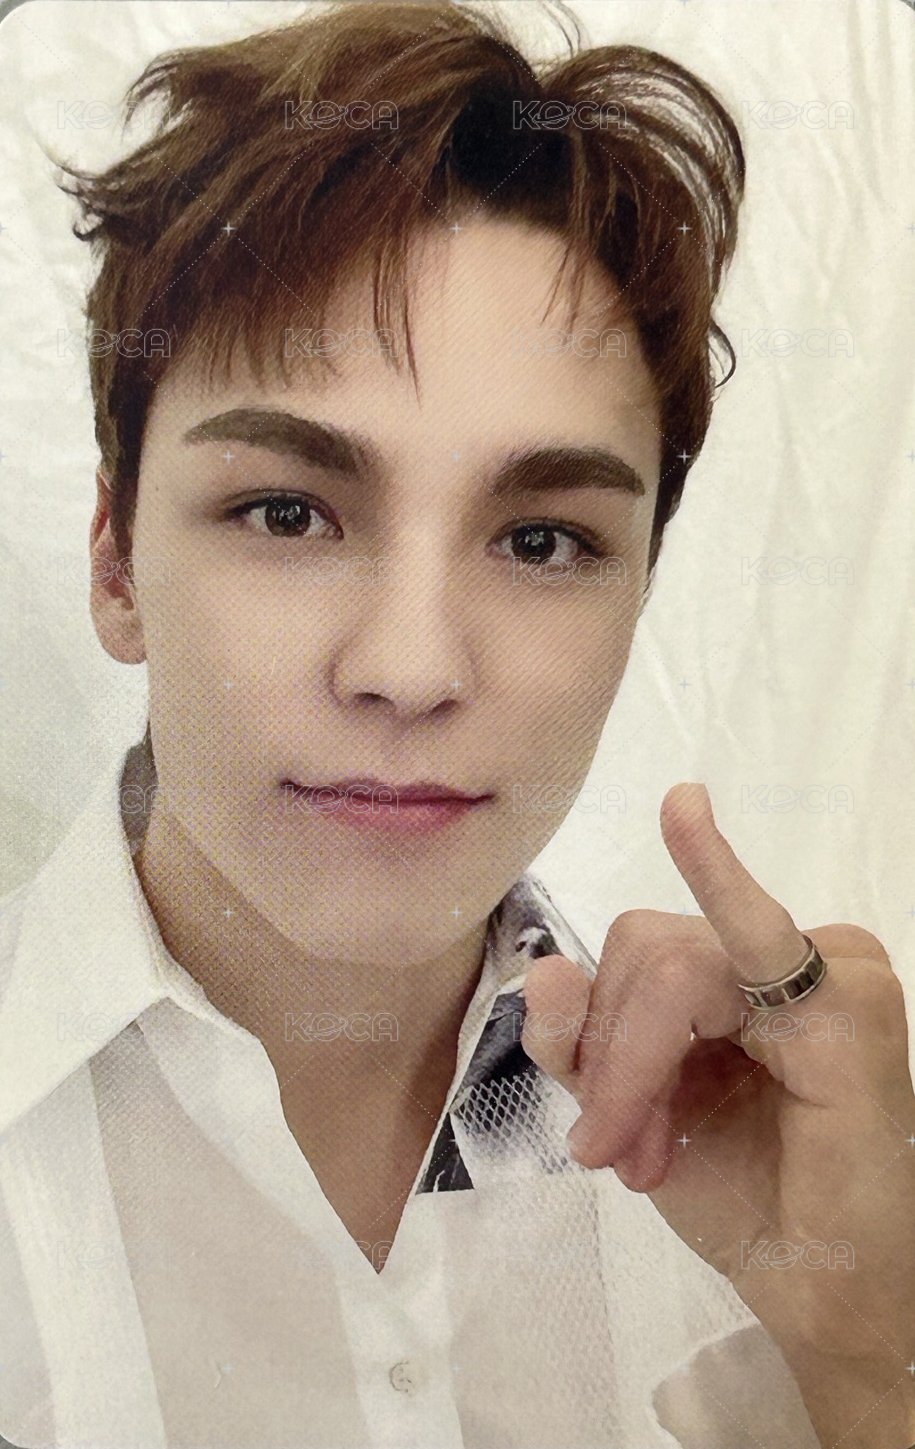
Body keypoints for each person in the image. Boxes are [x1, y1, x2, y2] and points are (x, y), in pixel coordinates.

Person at [1, 2, 913, 1446]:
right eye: (287, 512)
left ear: (639, 592)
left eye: (542, 540)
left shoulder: (789, 1196)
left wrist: (872, 1364)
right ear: (116, 566)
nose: (414, 668)